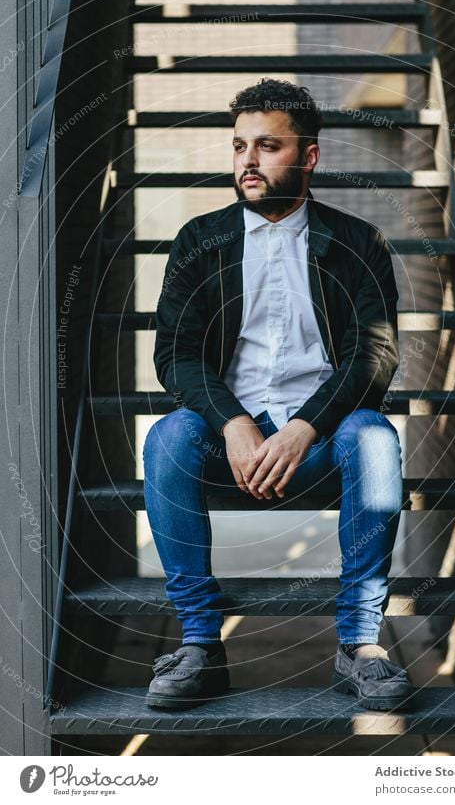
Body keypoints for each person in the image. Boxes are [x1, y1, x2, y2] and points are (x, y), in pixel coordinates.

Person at [142, 78, 414, 711]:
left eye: (267, 146)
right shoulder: (199, 241)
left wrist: (306, 427)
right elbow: (175, 355)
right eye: (239, 146)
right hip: (227, 443)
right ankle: (201, 644)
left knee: (373, 437)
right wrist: (234, 422)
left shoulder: (356, 243)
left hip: (320, 440)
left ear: (309, 156)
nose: (248, 161)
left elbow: (373, 355)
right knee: (168, 438)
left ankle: (359, 644)